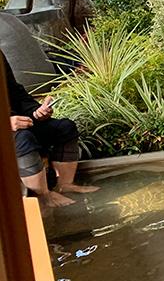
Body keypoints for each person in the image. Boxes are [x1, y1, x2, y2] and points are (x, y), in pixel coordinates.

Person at [4, 51, 96, 207]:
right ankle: (44, 196)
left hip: (16, 123)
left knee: (64, 128)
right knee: (23, 139)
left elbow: (15, 92)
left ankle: (65, 185)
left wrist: (36, 111)